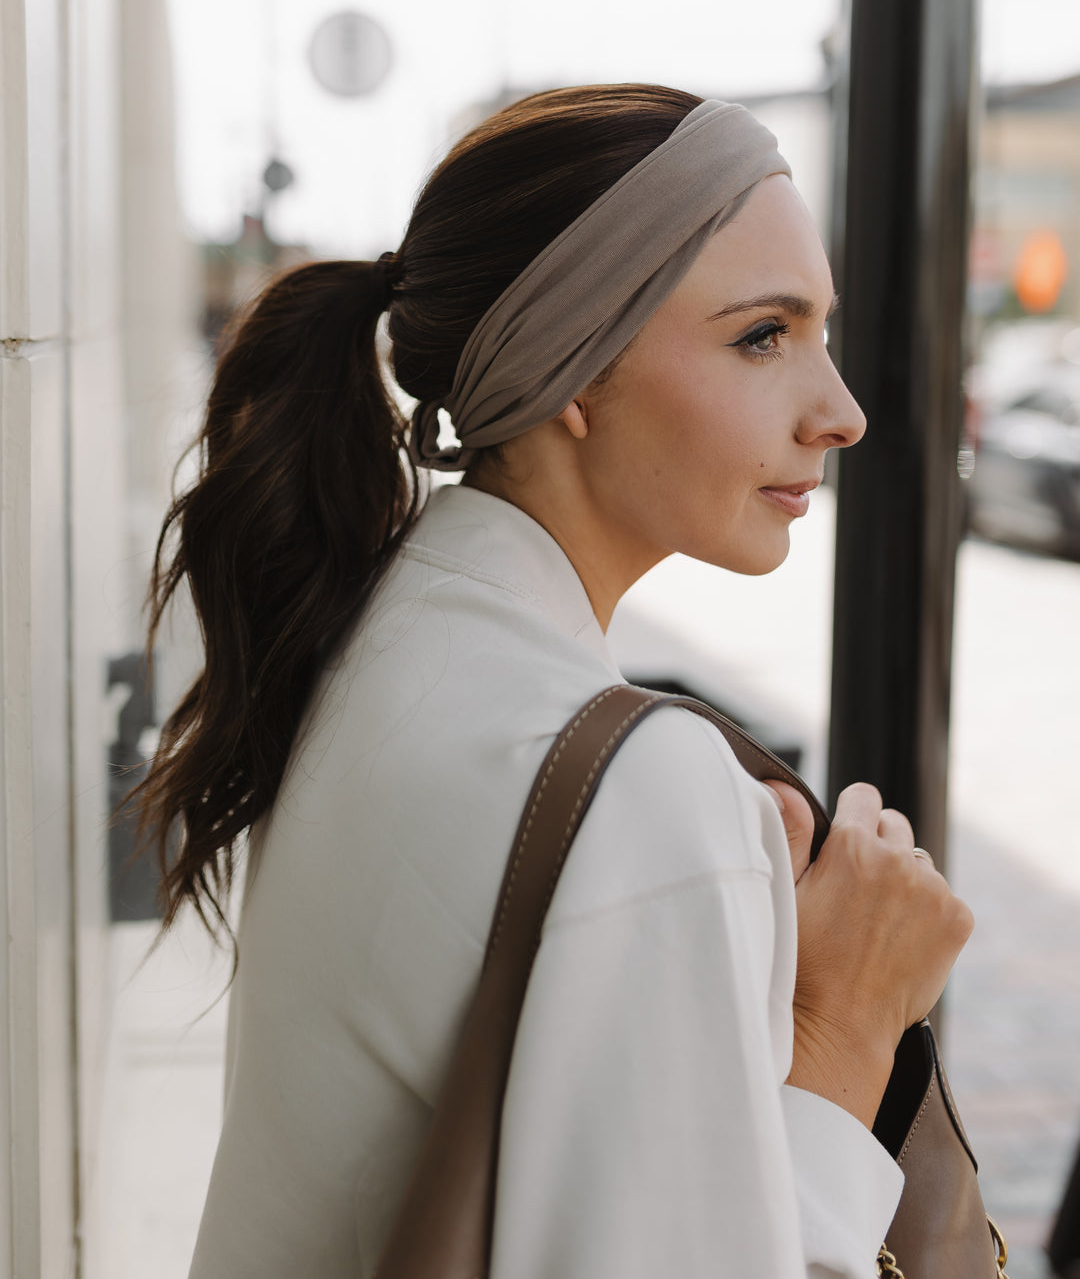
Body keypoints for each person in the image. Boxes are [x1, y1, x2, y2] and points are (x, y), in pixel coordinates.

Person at [136, 84, 973, 1279]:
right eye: (761, 336)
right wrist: (848, 1023)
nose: (840, 412)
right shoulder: (632, 789)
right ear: (571, 372)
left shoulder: (385, 626)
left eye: (821, 331)